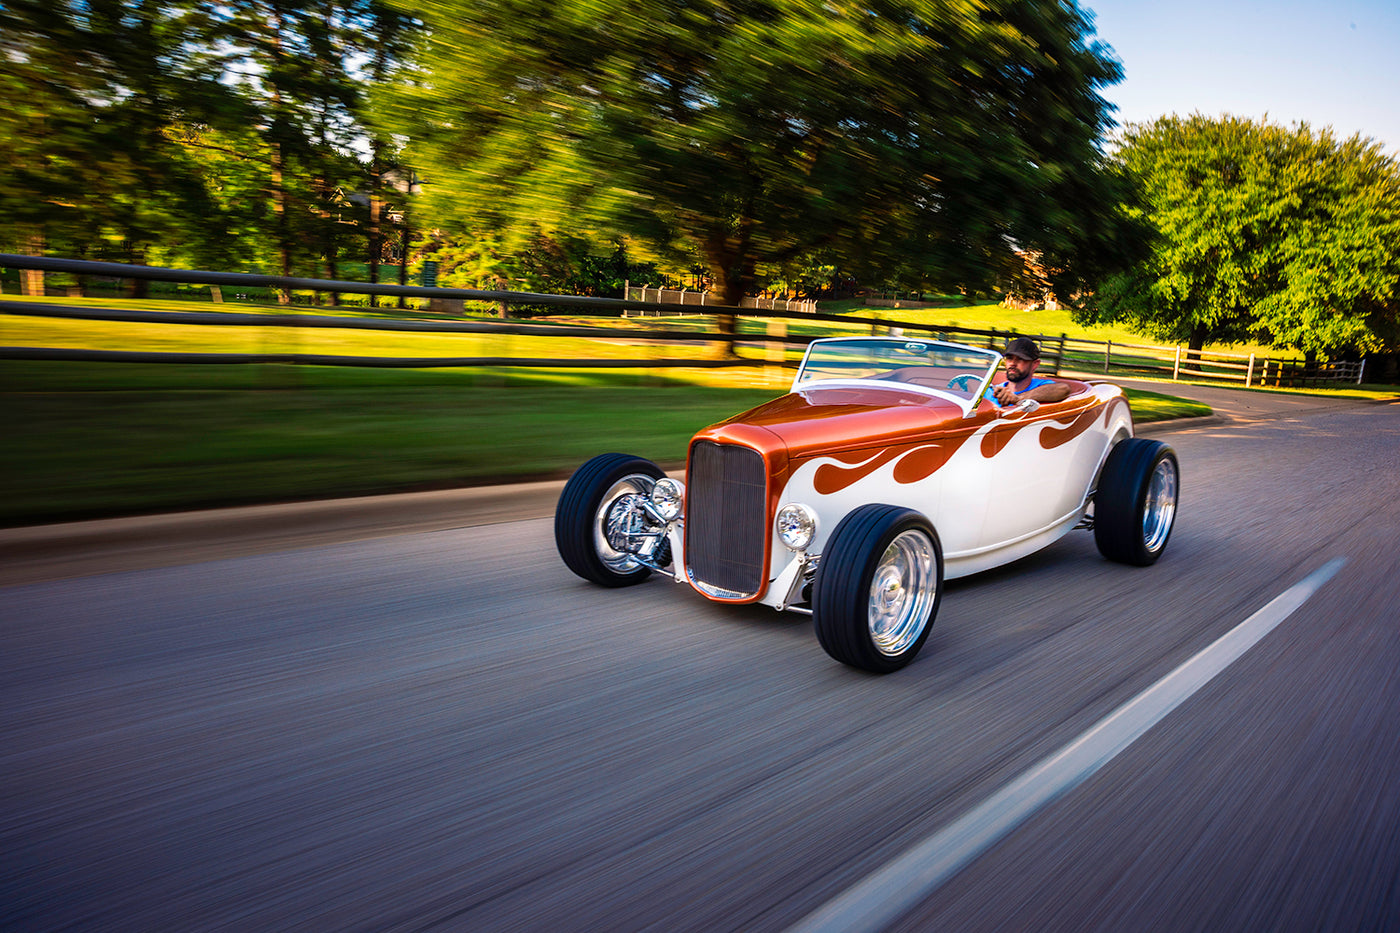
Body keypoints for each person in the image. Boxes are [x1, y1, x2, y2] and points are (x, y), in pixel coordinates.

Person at [988, 337, 1071, 406]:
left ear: (1035, 364)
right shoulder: (992, 391)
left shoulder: (1041, 386)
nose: (1013, 363)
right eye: (1009, 358)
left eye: (1020, 359)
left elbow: (1063, 389)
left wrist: (1018, 399)